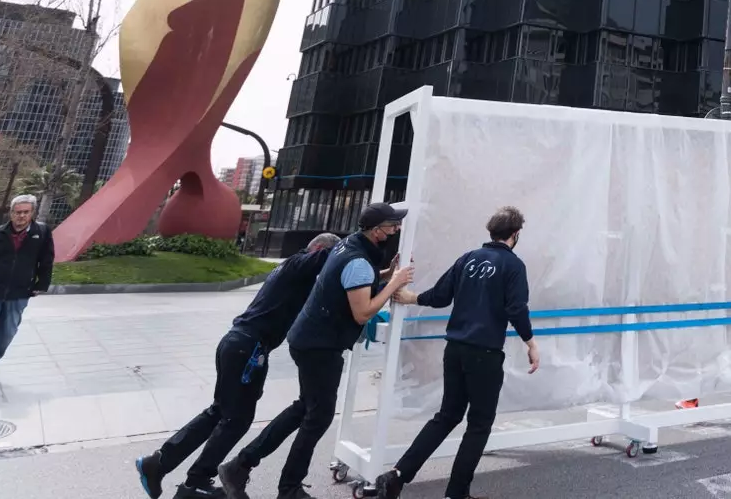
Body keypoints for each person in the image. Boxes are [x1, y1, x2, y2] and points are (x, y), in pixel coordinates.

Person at [217, 203, 413, 499]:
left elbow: (357, 283)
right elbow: (363, 312)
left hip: (308, 339)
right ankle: (288, 488)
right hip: (321, 346)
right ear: (376, 231)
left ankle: (240, 465)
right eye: (392, 225)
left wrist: (387, 274)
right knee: (318, 417)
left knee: (303, 409)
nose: (396, 229)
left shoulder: (348, 246)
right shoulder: (358, 260)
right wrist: (396, 282)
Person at [134, 234, 341, 499]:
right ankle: (195, 481)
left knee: (220, 411)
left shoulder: (294, 269)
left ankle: (159, 464)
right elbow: (332, 259)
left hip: (239, 343)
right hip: (248, 348)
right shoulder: (299, 263)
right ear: (320, 251)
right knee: (236, 419)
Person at [374, 206, 539, 499]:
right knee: (479, 424)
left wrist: (412, 298)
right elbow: (516, 308)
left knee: (447, 415)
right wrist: (530, 342)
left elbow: (440, 296)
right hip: (485, 353)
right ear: (515, 235)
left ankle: (397, 475)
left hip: (455, 350)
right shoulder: (513, 266)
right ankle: (456, 493)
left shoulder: (468, 259)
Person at [0, 194, 53, 379]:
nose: (21, 216)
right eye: (17, 212)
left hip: (18, 294)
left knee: (6, 335)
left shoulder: (41, 233)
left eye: (25, 212)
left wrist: (42, 283)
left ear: (32, 213)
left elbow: (47, 259)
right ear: (11, 213)